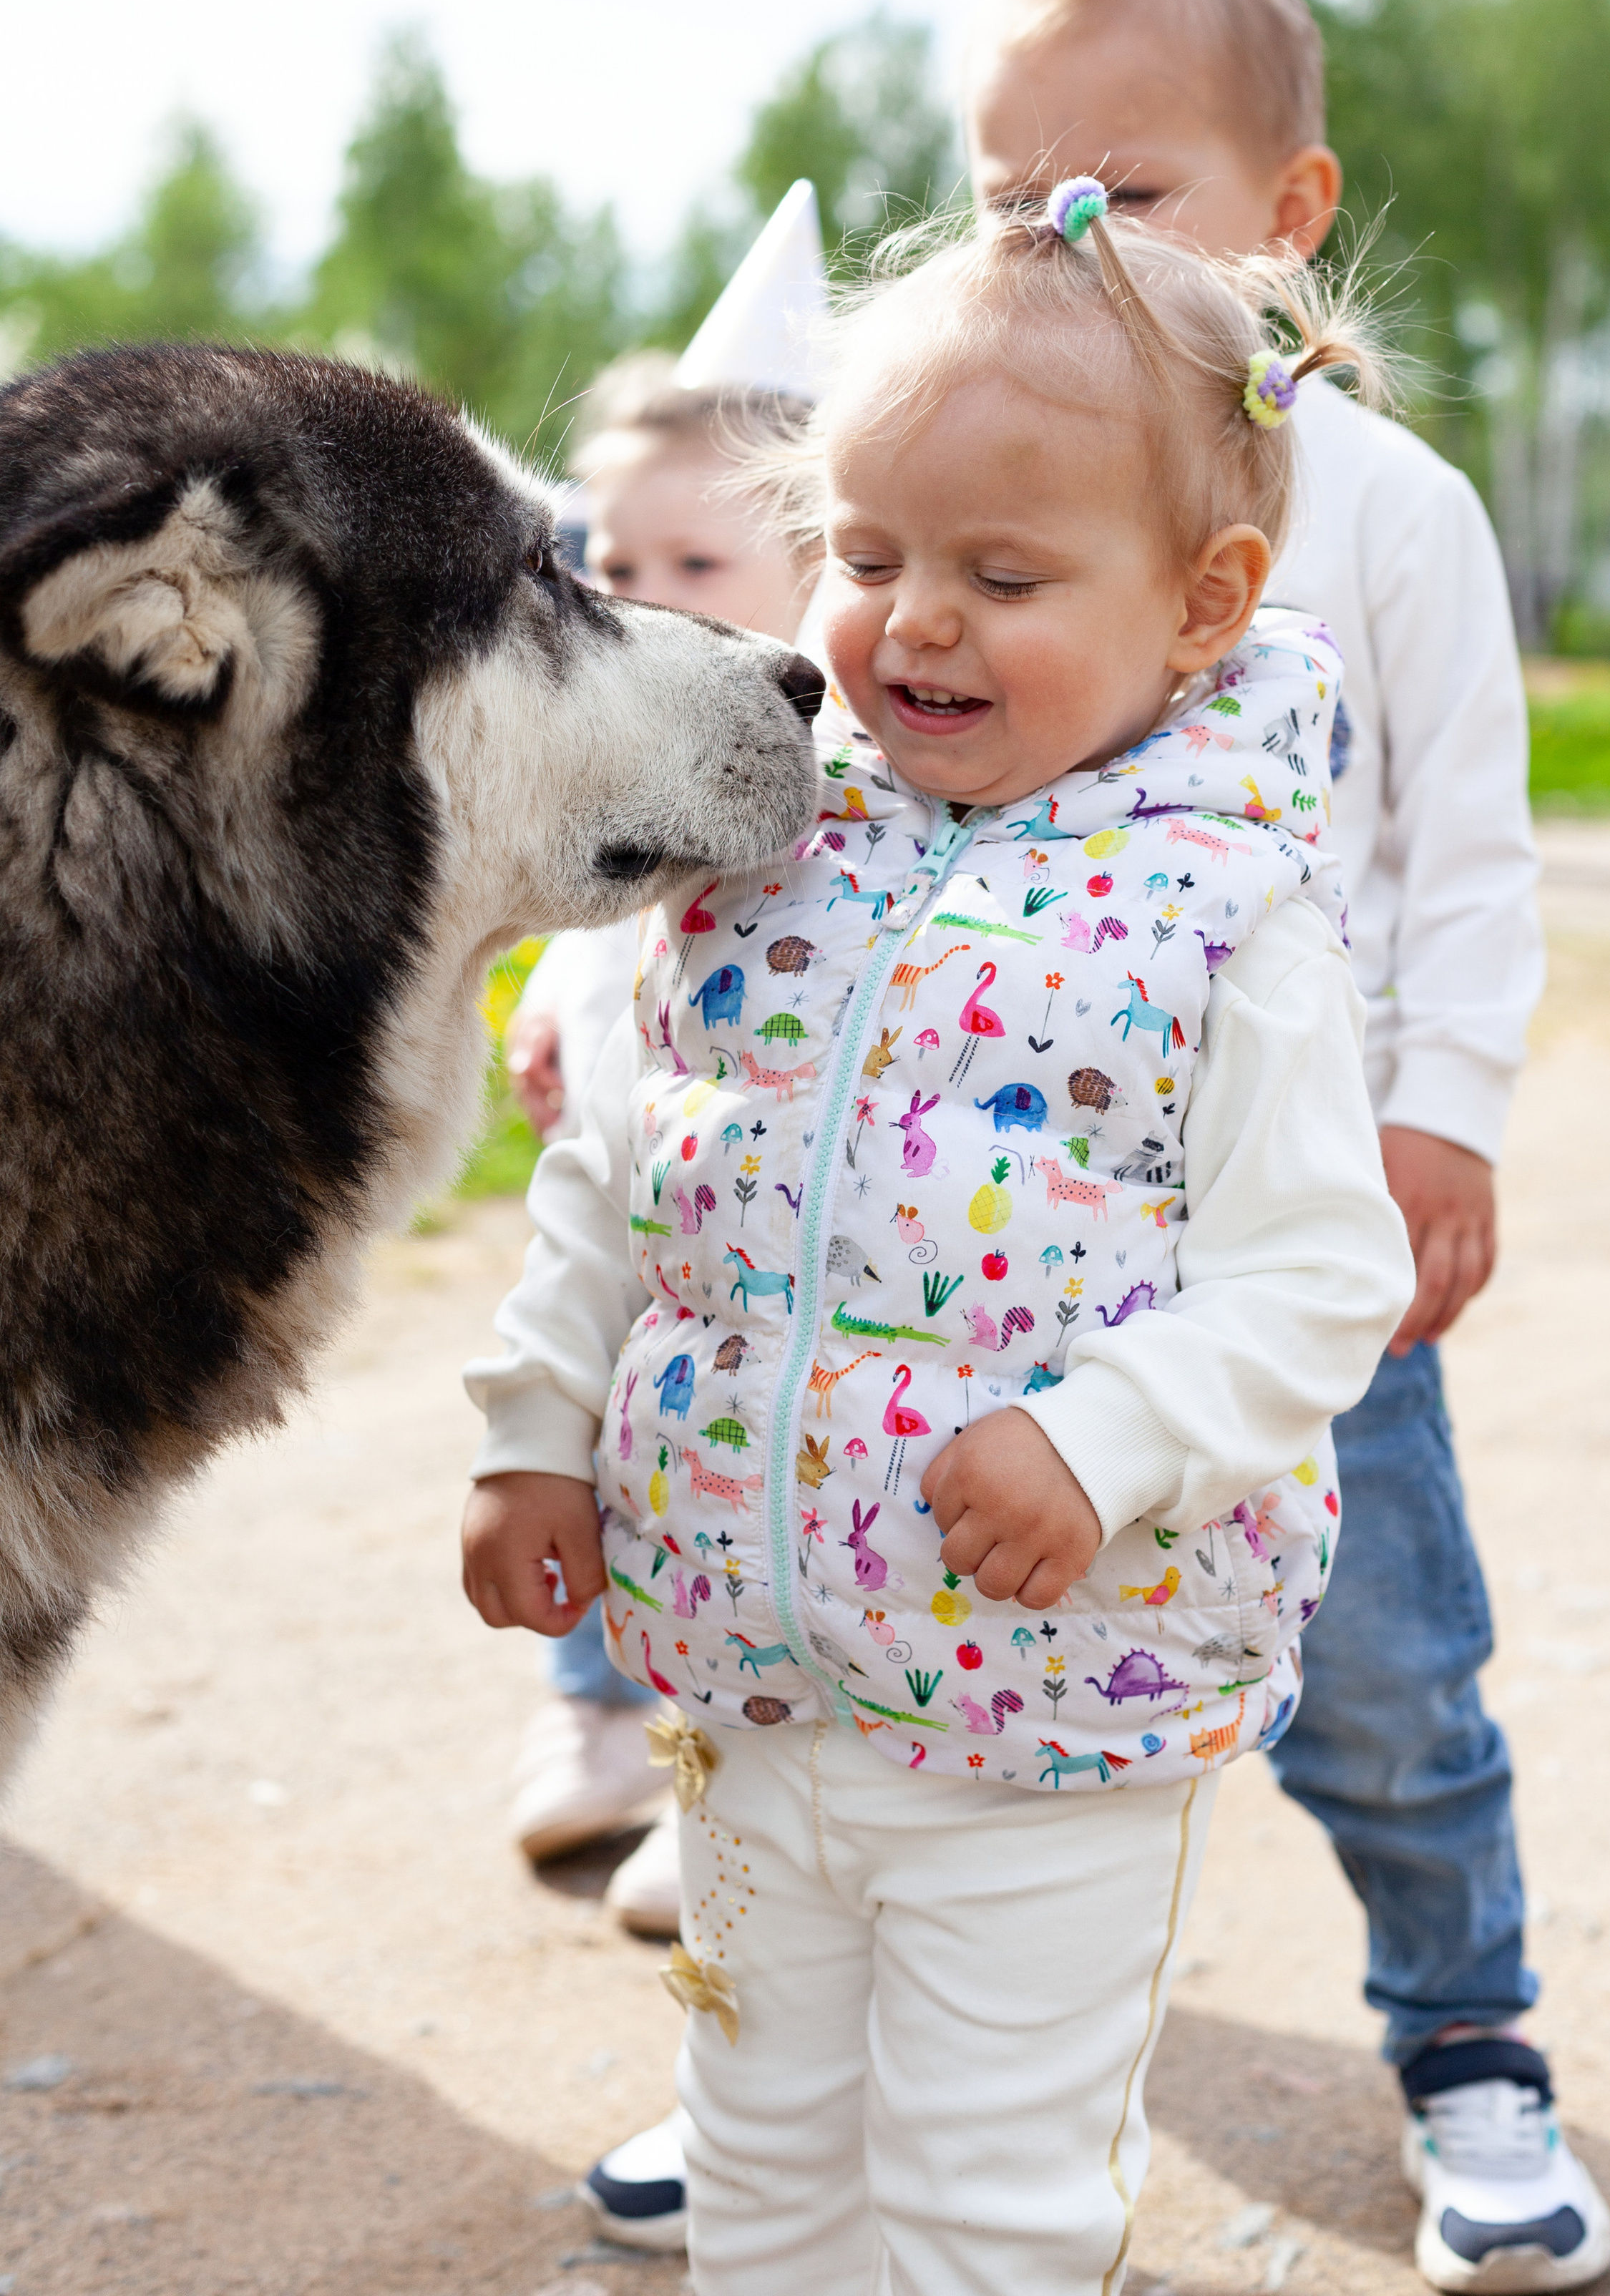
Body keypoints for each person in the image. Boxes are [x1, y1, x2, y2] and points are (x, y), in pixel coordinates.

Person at [459, 187, 1416, 2295]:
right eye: (872, 561)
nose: (916, 626)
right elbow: (627, 1167)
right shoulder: (765, 847)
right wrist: (538, 1426)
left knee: (989, 2197)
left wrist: (1106, 1436)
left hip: (1048, 1719)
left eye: (1004, 574)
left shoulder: (1218, 929)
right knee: (764, 2156)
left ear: (1204, 605)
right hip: (754, 1679)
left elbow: (1322, 1278)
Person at [961, 0, 1610, 2293]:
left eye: (1124, 194)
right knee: (956, 1644)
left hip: (1299, 1224)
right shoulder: (1005, 486)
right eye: (1016, 194)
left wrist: (1449, 1112)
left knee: (1389, 1671)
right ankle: (860, 2060)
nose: (1068, 241)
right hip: (1006, 1222)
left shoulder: (1390, 512)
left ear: (1286, 211)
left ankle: (1472, 2048)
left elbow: (1467, 854)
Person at [502, 215, 824, 1909]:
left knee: (726, 1475)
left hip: (772, 1216)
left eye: (695, 571)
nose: (637, 603)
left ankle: (717, 1798)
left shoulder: (838, 758)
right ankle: (587, 1718)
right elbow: (584, 899)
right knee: (585, 1423)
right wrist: (551, 1005)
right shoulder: (614, 744)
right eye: (605, 567)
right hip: (627, 1174)